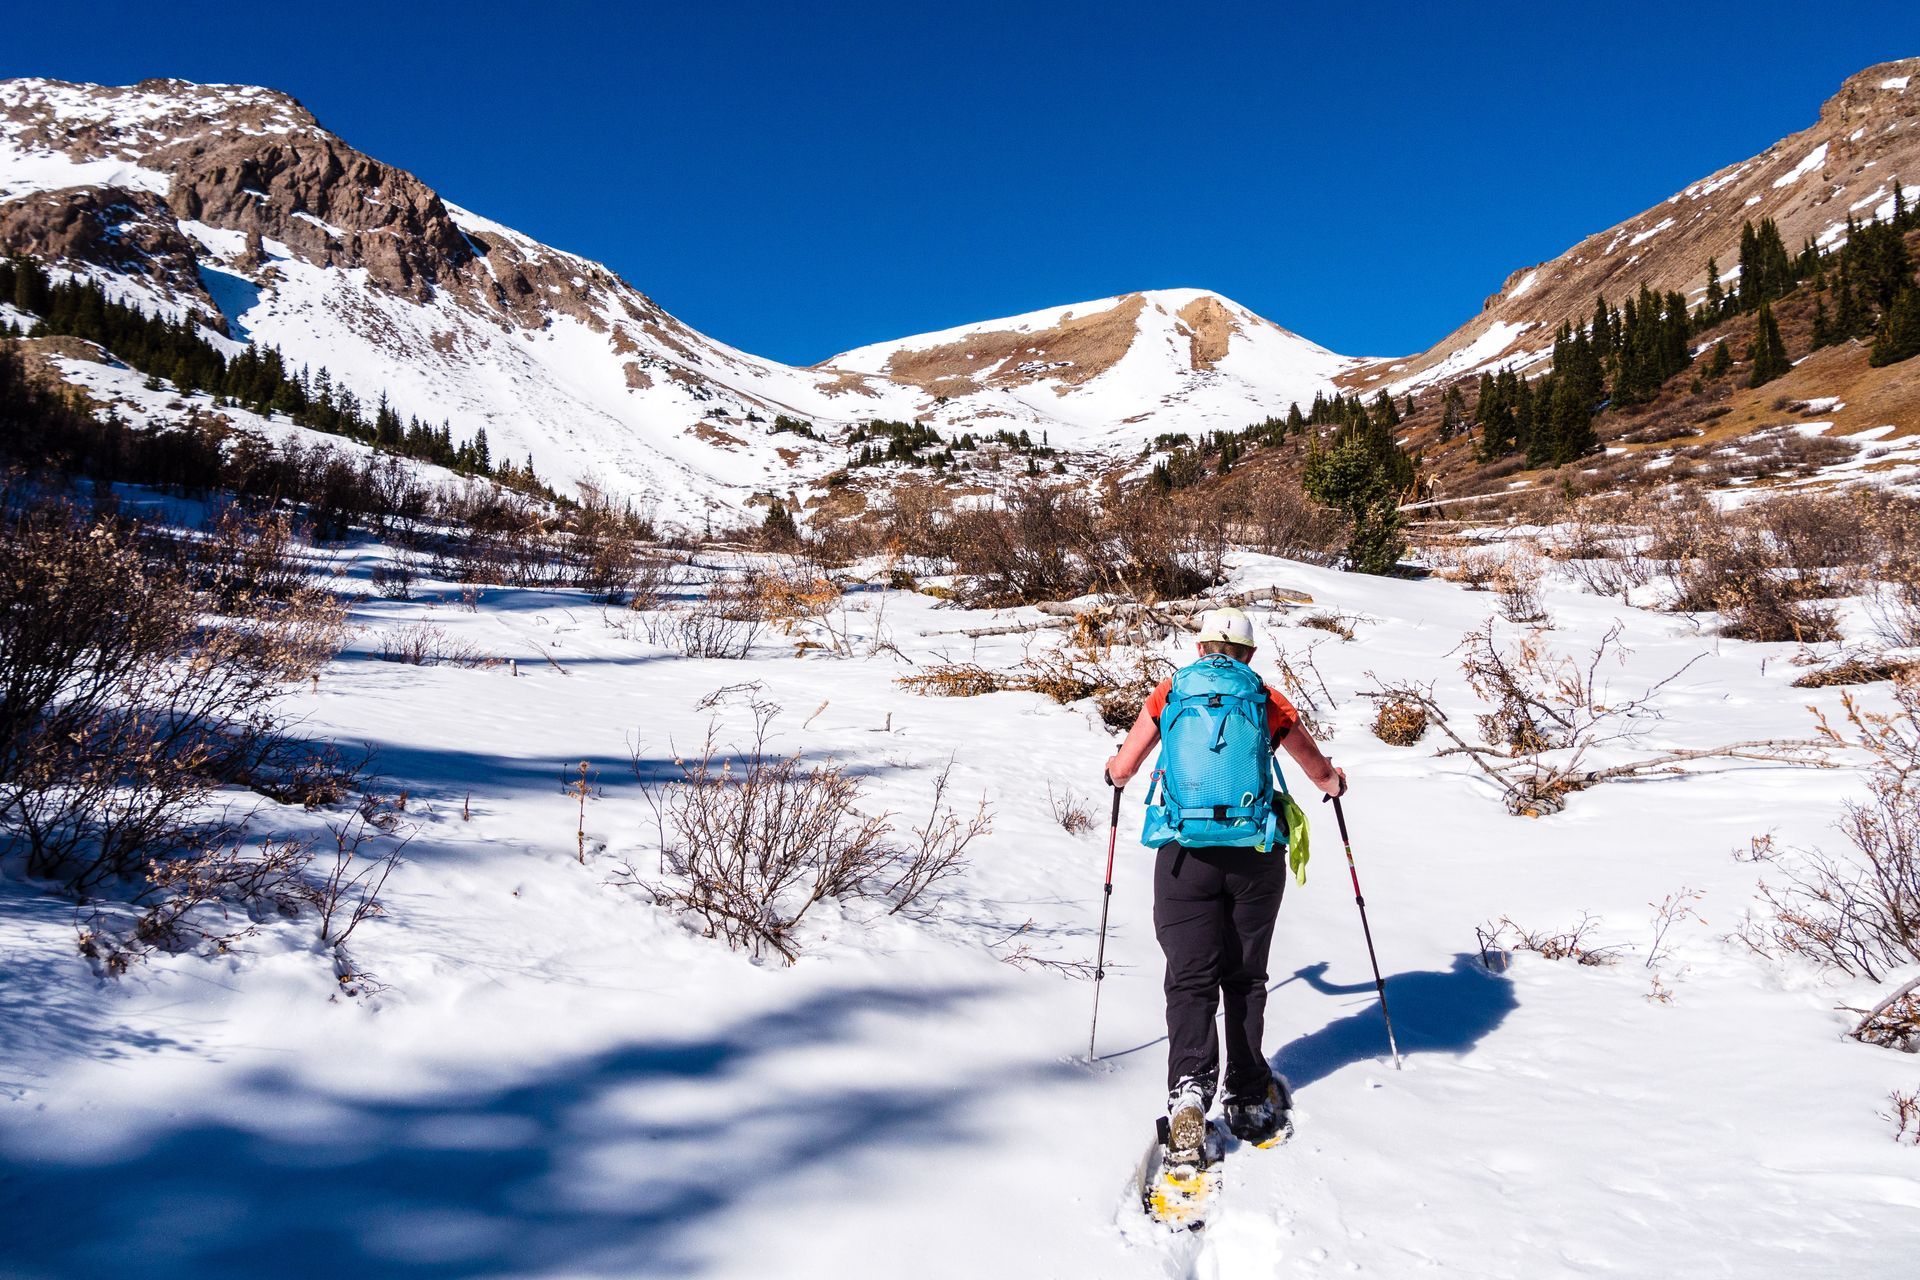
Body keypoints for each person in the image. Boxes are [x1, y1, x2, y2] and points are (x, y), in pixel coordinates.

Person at [1103, 606, 1346, 1159]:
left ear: (1200, 648)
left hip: (1185, 858)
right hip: (1255, 856)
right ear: (1249, 654)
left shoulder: (1170, 693)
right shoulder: (1264, 697)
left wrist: (1113, 770)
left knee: (1190, 979)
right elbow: (1314, 766)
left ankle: (1189, 1094)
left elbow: (1124, 769)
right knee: (1244, 977)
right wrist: (1332, 781)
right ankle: (1243, 1091)